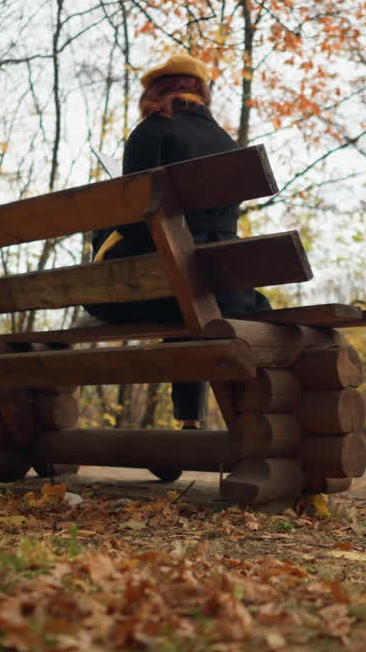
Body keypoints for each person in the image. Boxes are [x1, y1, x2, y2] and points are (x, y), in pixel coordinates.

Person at [84, 53, 271, 430]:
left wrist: (102, 237)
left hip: (160, 291)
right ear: (201, 93)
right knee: (195, 310)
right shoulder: (227, 142)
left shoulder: (151, 132)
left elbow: (137, 226)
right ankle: (192, 420)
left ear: (154, 92)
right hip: (223, 290)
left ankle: (191, 420)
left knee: (148, 290)